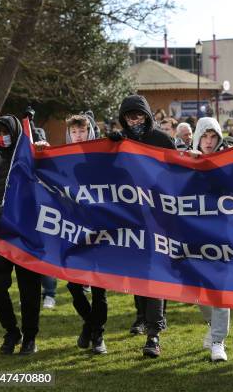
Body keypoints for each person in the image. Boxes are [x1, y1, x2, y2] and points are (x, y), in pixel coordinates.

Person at [108, 94, 175, 358]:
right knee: (139, 274)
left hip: (159, 217)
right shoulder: (121, 142)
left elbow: (177, 172)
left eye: (137, 116)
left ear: (147, 116)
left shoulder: (161, 140)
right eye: (128, 117)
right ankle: (143, 317)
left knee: (154, 274)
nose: (133, 121)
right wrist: (110, 148)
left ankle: (153, 335)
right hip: (131, 218)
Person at [0, 115, 42, 355]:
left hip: (28, 236)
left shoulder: (33, 159)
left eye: (6, 131)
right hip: (0, 236)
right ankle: (11, 332)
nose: (2, 136)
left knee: (29, 290)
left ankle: (29, 337)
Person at [61, 114, 108, 355]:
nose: (78, 135)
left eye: (82, 131)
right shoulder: (60, 159)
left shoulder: (100, 157)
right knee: (74, 286)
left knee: (100, 287)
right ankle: (90, 324)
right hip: (73, 231)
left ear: (89, 131)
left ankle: (97, 335)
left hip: (100, 231)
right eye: (75, 132)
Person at [185, 117, 231, 362]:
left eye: (214, 137)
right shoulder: (184, 160)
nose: (209, 142)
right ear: (198, 137)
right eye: (205, 136)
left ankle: (218, 342)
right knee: (197, 291)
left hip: (221, 235)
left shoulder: (230, 161)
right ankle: (213, 325)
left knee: (219, 291)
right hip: (192, 235)